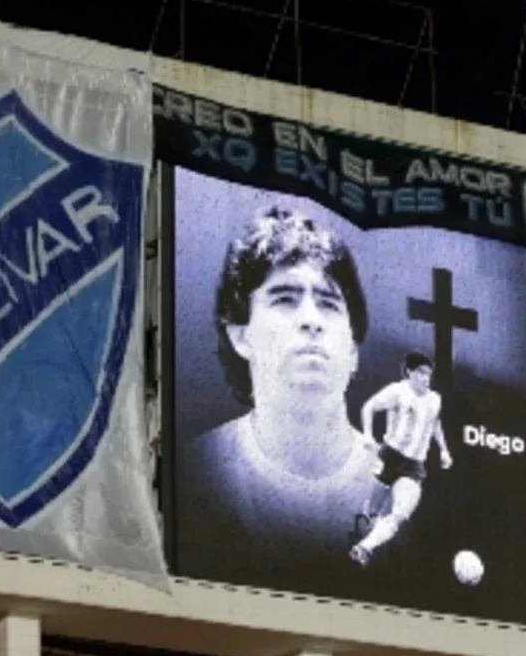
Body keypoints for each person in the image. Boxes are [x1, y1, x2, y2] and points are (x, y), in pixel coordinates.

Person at [181, 205, 379, 581]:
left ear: (353, 351)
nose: (311, 320)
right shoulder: (191, 475)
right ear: (240, 335)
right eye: (285, 299)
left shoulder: (408, 493)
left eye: (329, 303)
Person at [350, 351, 451, 565]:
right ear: (409, 373)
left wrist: (444, 449)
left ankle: (364, 548)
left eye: (429, 375)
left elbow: (435, 424)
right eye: (422, 373)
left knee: (400, 514)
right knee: (372, 513)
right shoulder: (397, 391)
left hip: (413, 467)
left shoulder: (435, 399)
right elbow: (369, 407)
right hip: (390, 458)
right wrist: (368, 435)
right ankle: (366, 529)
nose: (426, 379)